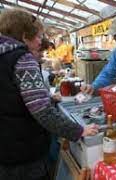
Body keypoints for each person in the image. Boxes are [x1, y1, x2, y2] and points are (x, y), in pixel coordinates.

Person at [0, 8, 99, 180]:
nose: (41, 42)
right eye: (38, 36)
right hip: (24, 153)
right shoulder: (22, 59)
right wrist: (78, 130)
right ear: (24, 36)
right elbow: (43, 112)